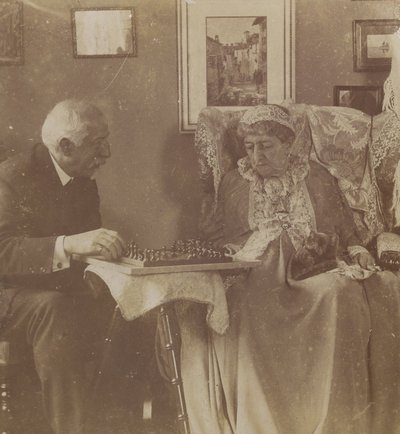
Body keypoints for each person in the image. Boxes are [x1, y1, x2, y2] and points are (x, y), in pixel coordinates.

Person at [180, 105, 400, 434]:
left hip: (314, 269)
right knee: (244, 303)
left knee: (341, 293)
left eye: (266, 145)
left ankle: (335, 420)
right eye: (250, 147)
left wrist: (358, 252)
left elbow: (346, 231)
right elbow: (224, 239)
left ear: (287, 144)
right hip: (258, 271)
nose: (257, 156)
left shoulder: (316, 176)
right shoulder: (234, 182)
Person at [0, 99, 126, 434]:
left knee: (128, 304)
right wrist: (68, 244)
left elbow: (89, 247)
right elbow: (3, 252)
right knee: (54, 310)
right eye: (98, 143)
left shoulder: (82, 178)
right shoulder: (11, 177)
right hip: (8, 295)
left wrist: (100, 273)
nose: (107, 153)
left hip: (53, 293)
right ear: (66, 146)